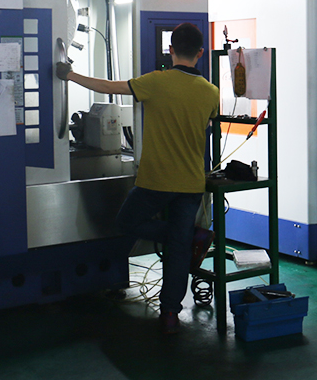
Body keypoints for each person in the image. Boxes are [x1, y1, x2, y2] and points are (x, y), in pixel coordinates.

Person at [56, 22, 218, 334]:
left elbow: (108, 87)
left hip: (156, 180)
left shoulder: (155, 82)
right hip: (191, 183)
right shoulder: (211, 92)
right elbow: (209, 124)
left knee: (127, 223)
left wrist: (70, 75)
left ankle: (181, 237)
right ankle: (170, 314)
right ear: (200, 53)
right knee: (179, 247)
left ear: (170, 50)